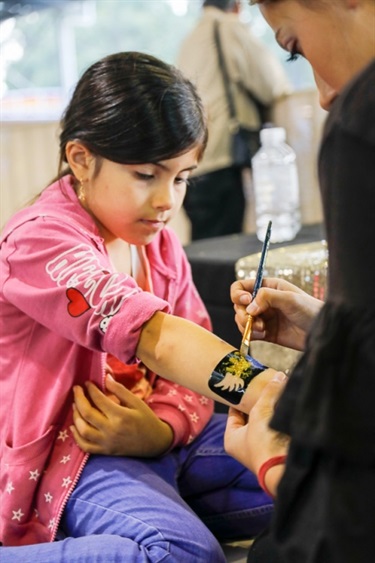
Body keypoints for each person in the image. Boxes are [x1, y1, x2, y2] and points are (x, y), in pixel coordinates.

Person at [0, 51, 280, 562]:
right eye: (146, 175)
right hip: (80, 455)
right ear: (81, 158)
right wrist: (265, 388)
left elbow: (191, 347)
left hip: (156, 441)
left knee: (325, 473)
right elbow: (159, 337)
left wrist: (161, 431)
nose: (166, 201)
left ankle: (147, 515)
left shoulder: (159, 245)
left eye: (181, 177)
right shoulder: (38, 243)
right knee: (182, 553)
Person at [225, 0, 375, 561]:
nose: (324, 95)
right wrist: (327, 334)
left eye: (294, 48)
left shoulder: (363, 125)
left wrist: (276, 462)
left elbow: (341, 531)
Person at [177, 0, 291, 240]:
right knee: (225, 247)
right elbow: (271, 84)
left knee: (204, 247)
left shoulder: (190, 39)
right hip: (221, 158)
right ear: (237, 7)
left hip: (190, 164)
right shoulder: (229, 28)